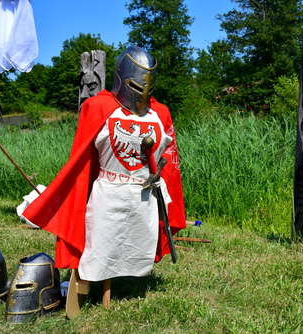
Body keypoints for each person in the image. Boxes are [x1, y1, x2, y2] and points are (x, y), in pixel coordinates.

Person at [22, 46, 186, 318]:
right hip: (109, 192)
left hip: (143, 195)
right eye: (135, 84)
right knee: (101, 243)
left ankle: (120, 280)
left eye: (147, 85)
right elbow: (82, 160)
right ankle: (92, 284)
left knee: (134, 244)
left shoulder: (161, 113)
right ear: (122, 78)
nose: (141, 92)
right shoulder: (98, 107)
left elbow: (169, 163)